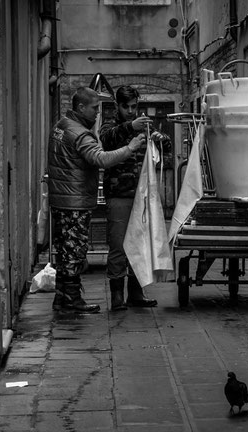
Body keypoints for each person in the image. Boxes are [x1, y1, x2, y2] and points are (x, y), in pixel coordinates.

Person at [48, 87, 145, 313]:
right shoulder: (79, 133)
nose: (96, 113)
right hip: (74, 201)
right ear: (81, 107)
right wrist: (130, 147)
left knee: (64, 252)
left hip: (63, 198)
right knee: (74, 251)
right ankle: (71, 300)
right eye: (94, 108)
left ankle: (62, 299)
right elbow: (100, 158)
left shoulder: (61, 126)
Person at [99, 85, 170, 311]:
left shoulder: (144, 125)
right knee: (119, 246)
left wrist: (160, 138)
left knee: (140, 245)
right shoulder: (110, 125)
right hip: (119, 194)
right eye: (126, 107)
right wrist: (130, 126)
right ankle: (117, 296)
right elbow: (107, 140)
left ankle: (137, 294)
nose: (131, 111)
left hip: (142, 195)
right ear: (117, 106)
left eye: (134, 107)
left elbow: (164, 148)